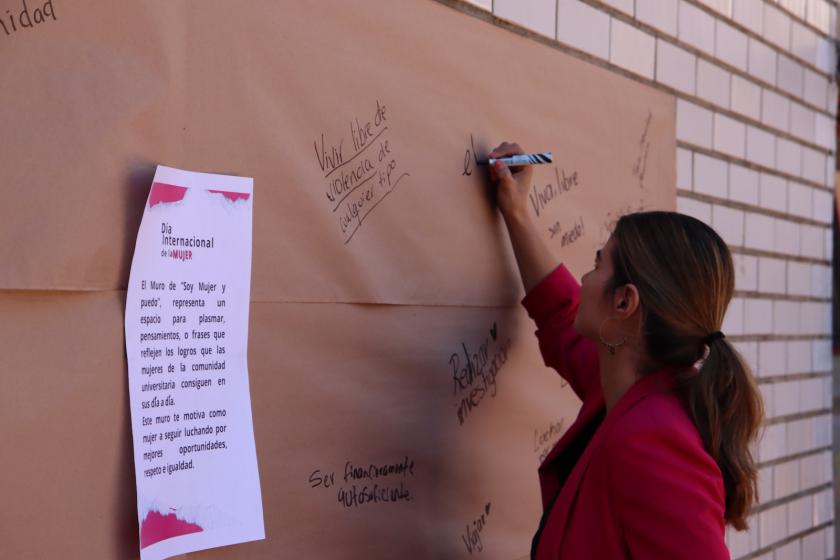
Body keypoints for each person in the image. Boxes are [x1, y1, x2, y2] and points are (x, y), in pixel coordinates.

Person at [487, 142, 764, 559]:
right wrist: (517, 210)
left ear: (624, 303)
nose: (585, 276)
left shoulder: (652, 439)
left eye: (599, 264)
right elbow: (560, 314)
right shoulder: (630, 389)